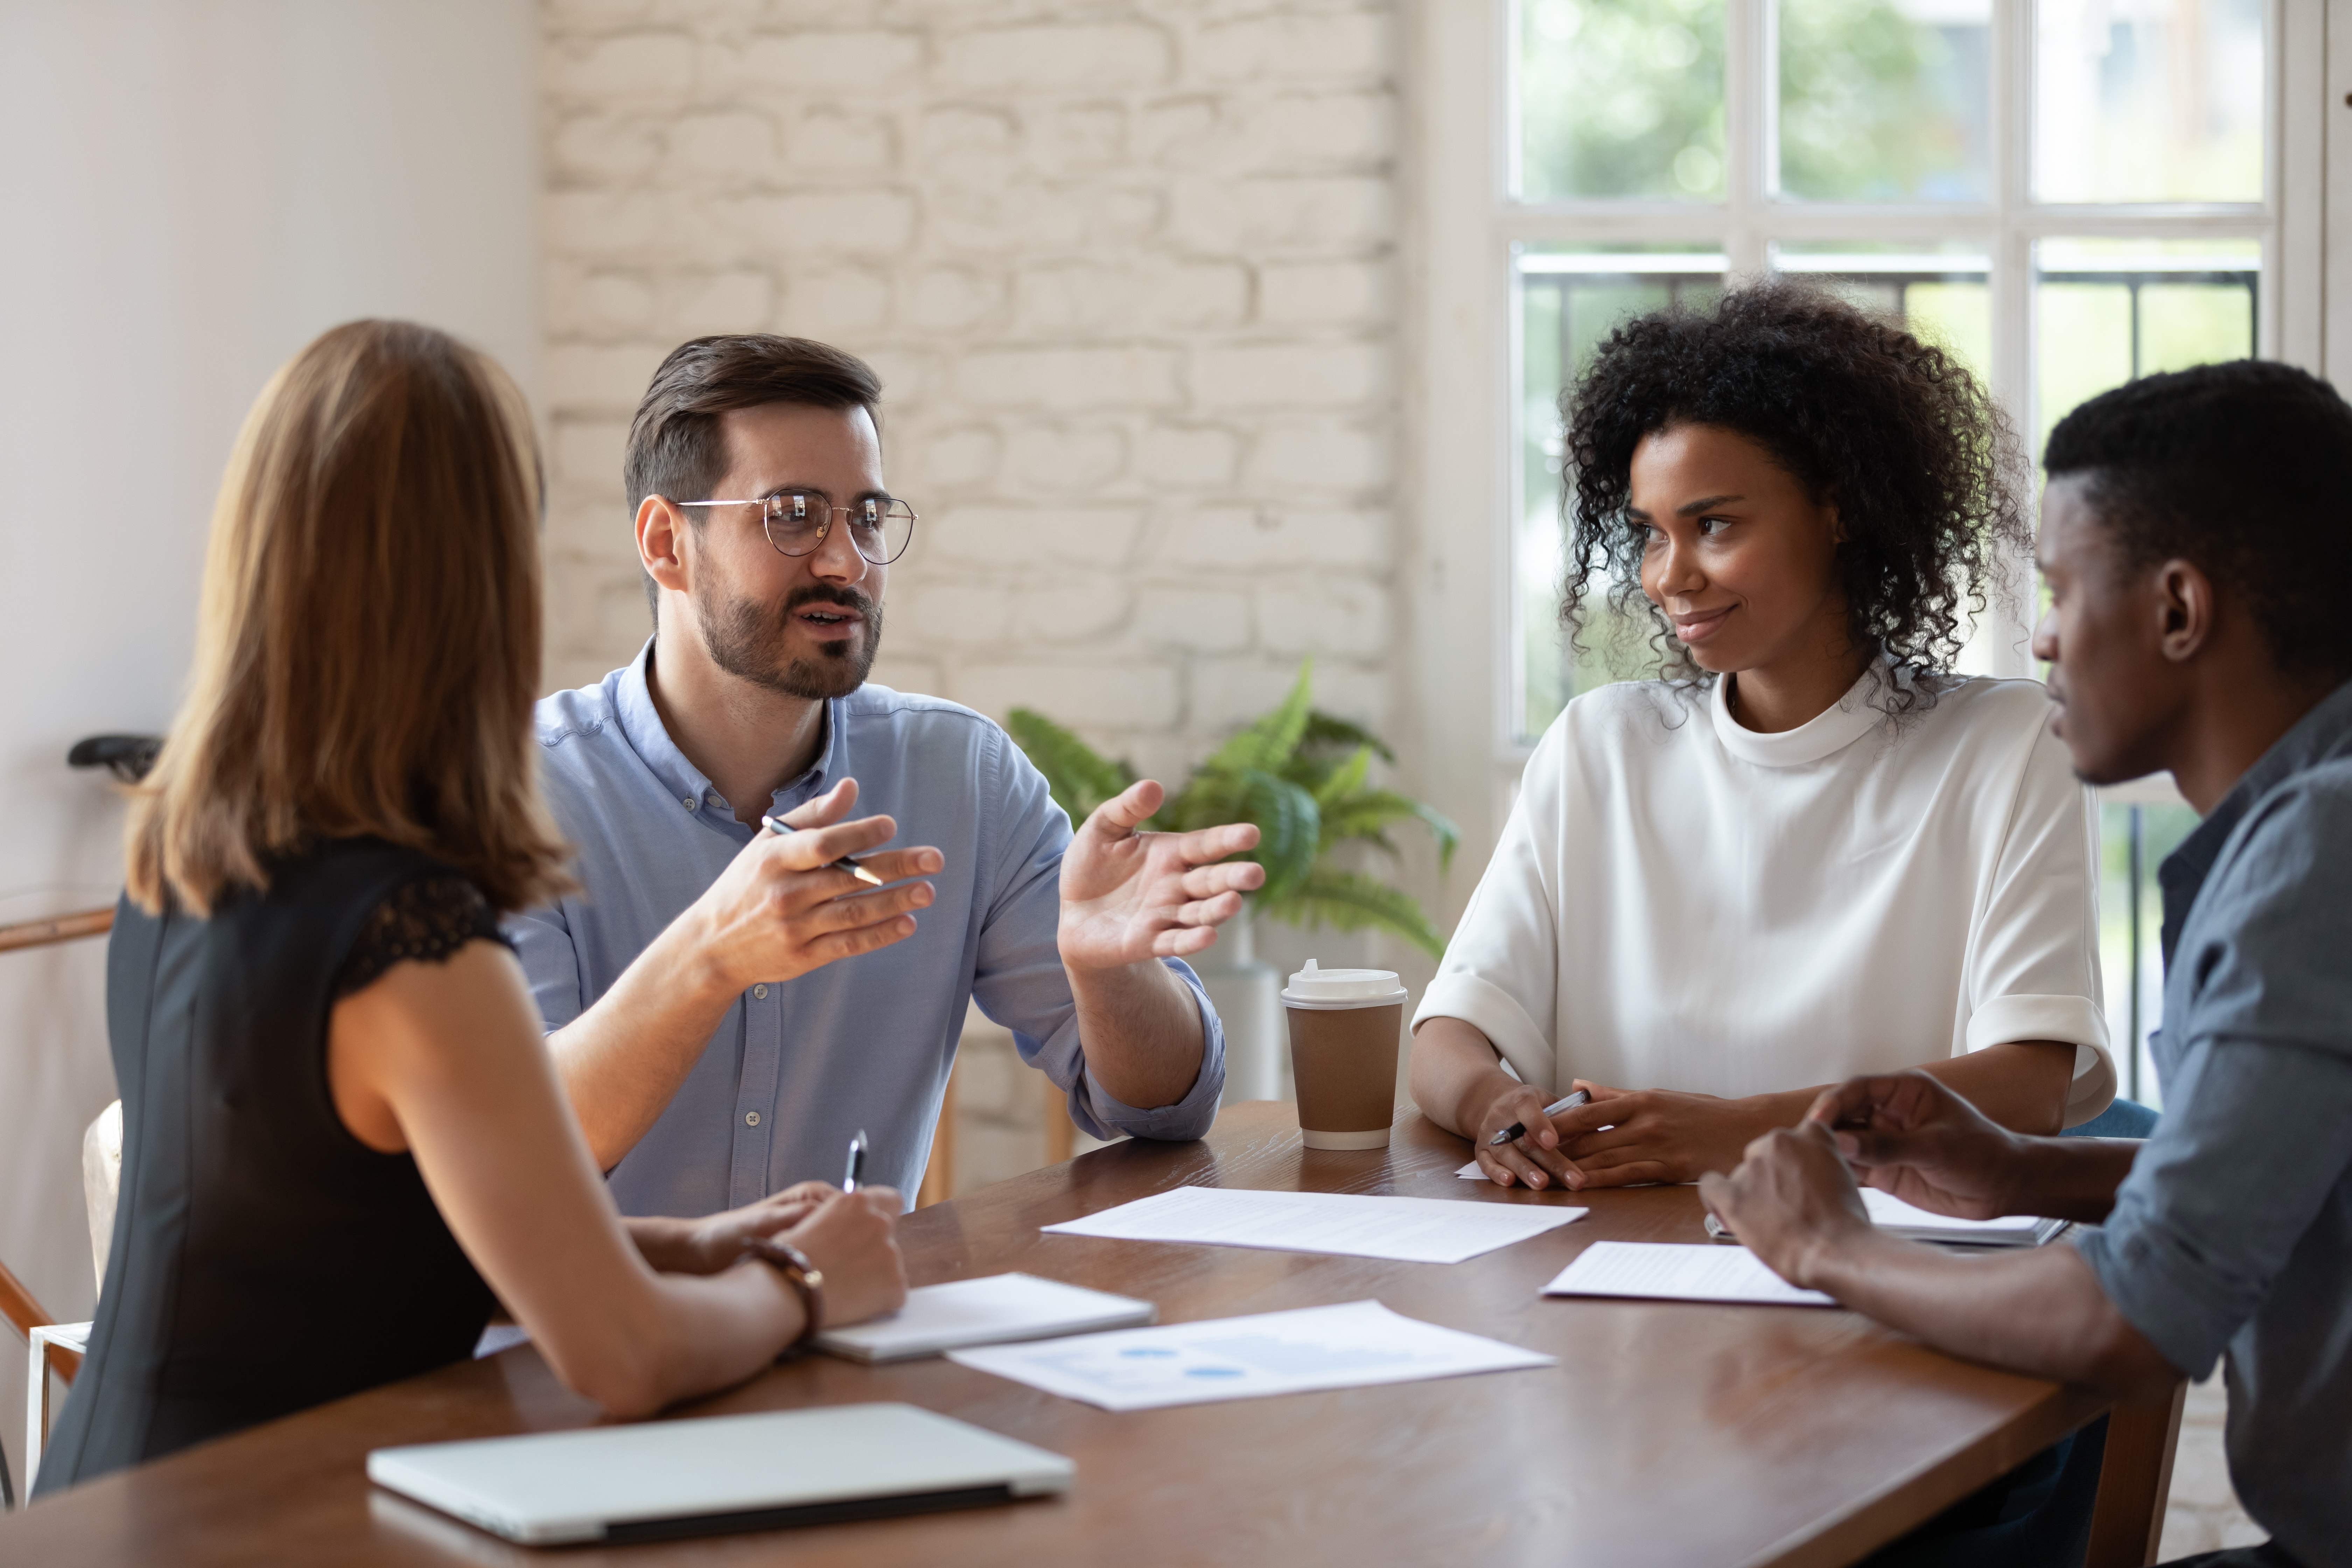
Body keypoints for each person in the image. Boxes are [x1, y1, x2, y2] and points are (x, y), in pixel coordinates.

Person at [36, 322, 908, 1494]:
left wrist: (694, 1248)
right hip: (269, 1526)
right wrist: (800, 1290)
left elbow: (349, 1239)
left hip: (105, 1507)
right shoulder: (417, 945)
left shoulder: (189, 855)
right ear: (481, 575)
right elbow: (624, 1358)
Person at [1702, 360, 2352, 1568]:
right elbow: (2303, 1157)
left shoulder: (2317, 859)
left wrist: (1829, 1249)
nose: (2044, 634)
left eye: (2059, 587)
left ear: (2177, 611)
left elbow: (2135, 1319)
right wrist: (2019, 1169)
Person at [509, 335, 1261, 1219]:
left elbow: (1169, 1107)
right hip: (587, 1352)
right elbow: (520, 1145)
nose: (845, 559)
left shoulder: (963, 778)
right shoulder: (518, 793)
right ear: (667, 542)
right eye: (793, 513)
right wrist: (713, 950)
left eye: (866, 517)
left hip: (855, 1339)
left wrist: (1110, 973)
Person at [1412, 281, 2114, 1192]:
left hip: (1876, 1279)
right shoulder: (1602, 745)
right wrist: (1489, 1106)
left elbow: (2029, 1082)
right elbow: (1447, 1036)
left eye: (1712, 525)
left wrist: (1740, 1133)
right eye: (1650, 535)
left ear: (1838, 507)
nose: (1670, 577)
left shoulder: (2007, 745)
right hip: (1609, 1274)